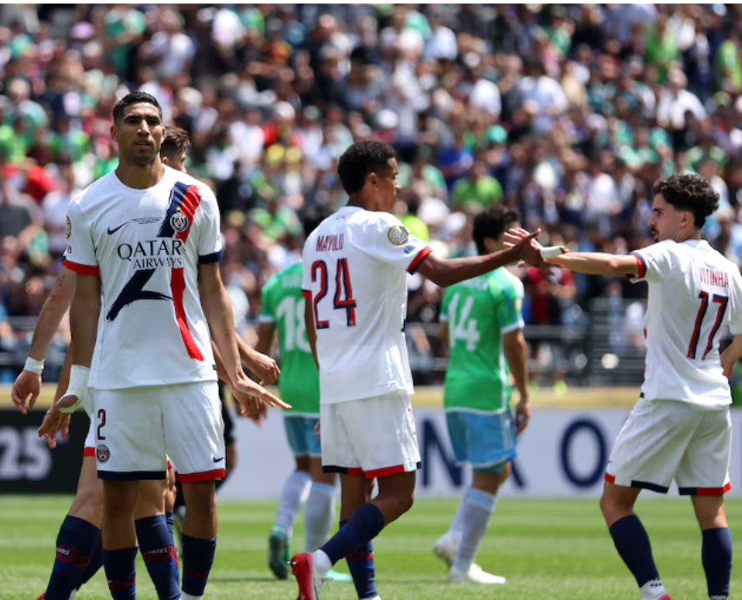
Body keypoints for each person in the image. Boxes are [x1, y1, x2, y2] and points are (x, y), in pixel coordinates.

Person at [36, 93, 287, 600]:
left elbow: (212, 290)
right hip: (120, 377)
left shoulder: (198, 196)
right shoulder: (88, 204)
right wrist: (75, 383)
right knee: (118, 499)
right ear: (114, 132)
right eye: (133, 120)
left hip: (189, 372)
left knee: (199, 493)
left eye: (153, 120)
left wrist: (236, 370)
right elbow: (83, 303)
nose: (144, 128)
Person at [291, 140, 545, 600]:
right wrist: (510, 257)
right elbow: (441, 272)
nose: (398, 186)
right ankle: (321, 560)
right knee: (399, 493)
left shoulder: (317, 237)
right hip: (377, 378)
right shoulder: (379, 226)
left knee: (355, 494)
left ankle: (367, 594)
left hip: (336, 381)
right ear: (372, 180)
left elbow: (313, 319)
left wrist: (329, 383)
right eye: (393, 177)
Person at [514, 172, 742, 600]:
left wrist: (548, 257)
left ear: (684, 219)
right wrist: (724, 363)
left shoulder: (670, 254)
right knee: (712, 512)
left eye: (659, 212)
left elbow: (613, 264)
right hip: (713, 403)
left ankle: (654, 592)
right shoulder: (726, 268)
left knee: (614, 502)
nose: (651, 220)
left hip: (668, 398)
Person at [432, 204, 530, 585]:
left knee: (496, 469)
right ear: (491, 243)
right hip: (487, 390)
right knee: (491, 473)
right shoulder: (506, 284)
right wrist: (525, 393)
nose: (520, 243)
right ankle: (462, 565)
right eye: (512, 236)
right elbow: (515, 344)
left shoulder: (456, 280)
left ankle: (454, 538)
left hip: (456, 388)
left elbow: (443, 336)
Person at [257, 205, 350, 583]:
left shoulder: (277, 282)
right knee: (326, 476)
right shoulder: (331, 275)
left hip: (290, 386)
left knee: (302, 468)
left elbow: (262, 343)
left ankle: (282, 526)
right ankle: (315, 563)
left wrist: (257, 388)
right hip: (321, 386)